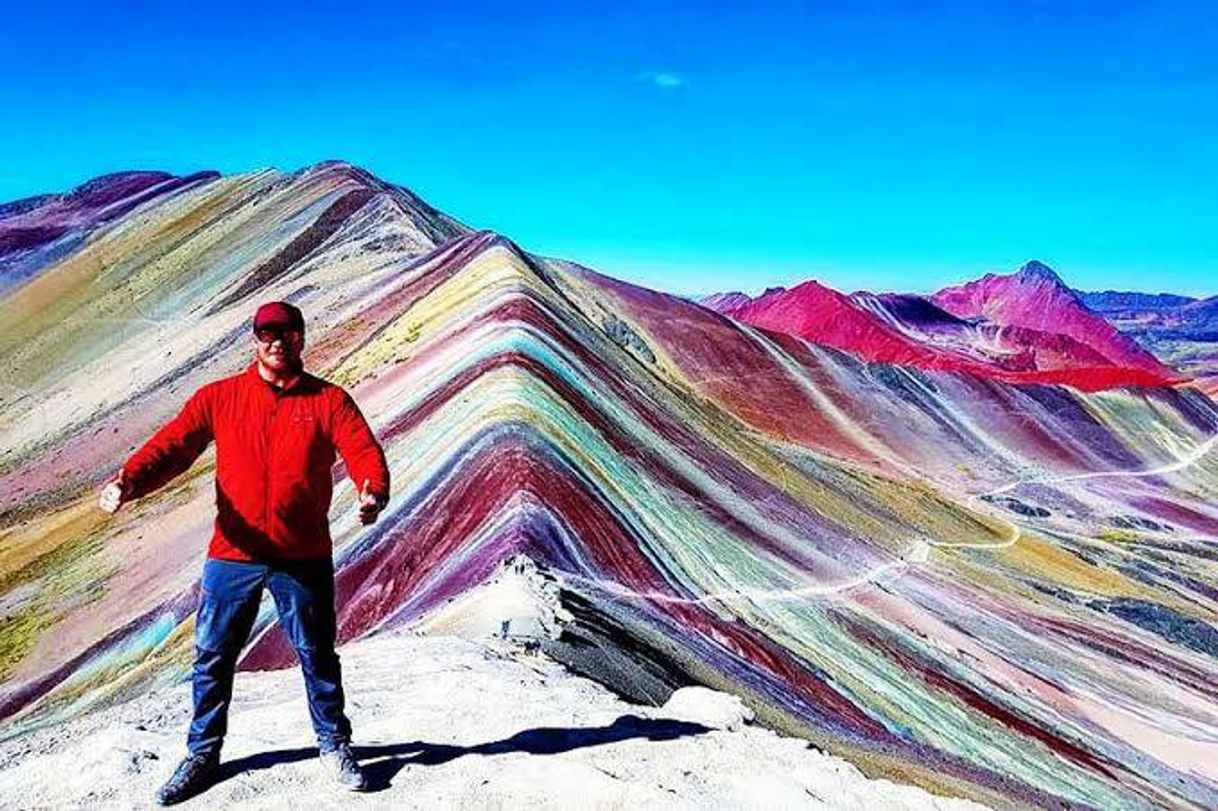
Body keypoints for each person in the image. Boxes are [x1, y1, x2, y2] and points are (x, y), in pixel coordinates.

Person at [98, 300, 391, 805]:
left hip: (302, 556)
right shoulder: (221, 397)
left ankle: (334, 744)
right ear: (255, 340)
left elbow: (363, 450)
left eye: (287, 332)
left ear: (301, 338)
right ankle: (202, 755)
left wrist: (372, 491)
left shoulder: (328, 401)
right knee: (212, 657)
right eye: (266, 333)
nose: (276, 341)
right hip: (232, 555)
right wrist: (129, 481)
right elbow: (174, 446)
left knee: (316, 655)